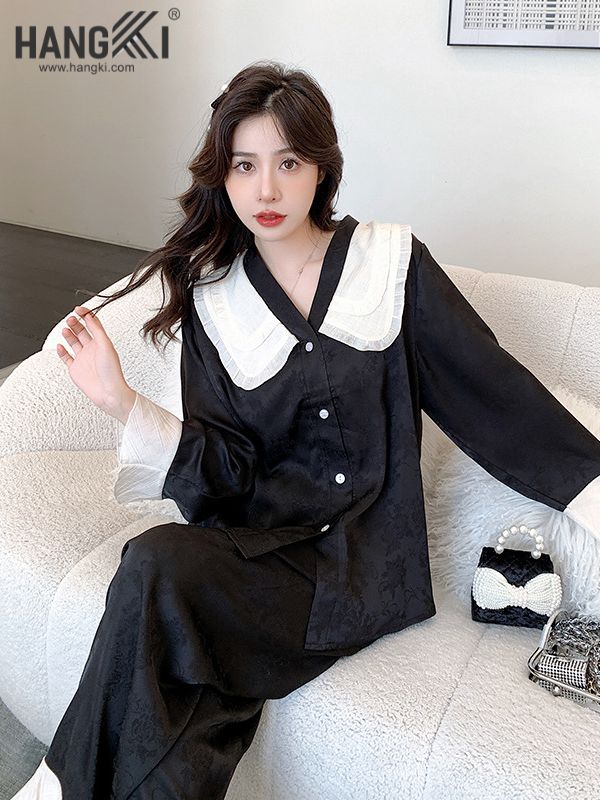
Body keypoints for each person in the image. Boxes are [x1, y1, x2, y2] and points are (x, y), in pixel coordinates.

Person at [12, 59, 600, 800]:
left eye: (288, 162)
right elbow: (223, 475)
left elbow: (496, 396)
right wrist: (123, 403)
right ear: (222, 177)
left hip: (368, 569)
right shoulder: (213, 297)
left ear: (321, 167)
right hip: (264, 557)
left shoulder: (391, 264)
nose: (266, 190)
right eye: (244, 165)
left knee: (163, 596)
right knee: (157, 572)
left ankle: (57, 789)